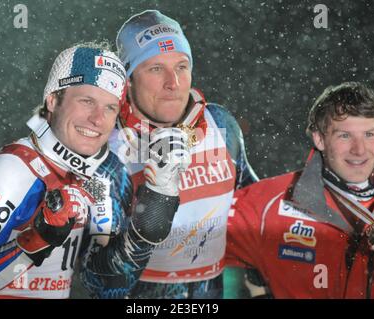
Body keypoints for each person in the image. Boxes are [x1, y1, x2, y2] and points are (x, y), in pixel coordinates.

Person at [80, 10, 259, 299]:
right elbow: (100, 284)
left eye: (181, 66)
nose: (172, 83)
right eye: (155, 69)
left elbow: (253, 210)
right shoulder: (104, 151)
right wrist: (154, 205)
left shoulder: (219, 123)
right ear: (127, 80)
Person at [0, 42, 130, 298]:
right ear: (53, 100)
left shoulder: (89, 175)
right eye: (87, 101)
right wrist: (37, 239)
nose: (98, 119)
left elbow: (106, 278)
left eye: (110, 107)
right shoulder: (12, 168)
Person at [226, 82, 374, 298]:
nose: (359, 149)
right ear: (320, 138)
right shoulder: (268, 204)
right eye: (344, 135)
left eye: (369, 135)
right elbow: (184, 249)